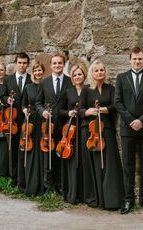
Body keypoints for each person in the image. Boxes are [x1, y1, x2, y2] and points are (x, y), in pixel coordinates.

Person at [115, 47, 143, 214]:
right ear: (130, 59)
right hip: (127, 129)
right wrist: (131, 120)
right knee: (127, 165)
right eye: (134, 59)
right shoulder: (121, 78)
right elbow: (118, 102)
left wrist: (141, 120)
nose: (137, 61)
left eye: (140, 59)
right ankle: (128, 200)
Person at [79, 60, 124, 209]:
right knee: (95, 164)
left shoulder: (111, 88)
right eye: (96, 70)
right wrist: (87, 112)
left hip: (107, 130)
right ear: (92, 73)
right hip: (90, 132)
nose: (99, 73)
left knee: (110, 164)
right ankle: (96, 198)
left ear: (105, 72)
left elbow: (115, 105)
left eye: (102, 70)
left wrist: (105, 109)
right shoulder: (86, 90)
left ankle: (111, 200)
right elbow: (80, 109)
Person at [36, 52, 72, 194]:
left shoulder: (70, 81)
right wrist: (42, 111)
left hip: (64, 125)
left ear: (64, 65)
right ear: (50, 65)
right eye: (55, 63)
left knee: (62, 155)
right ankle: (48, 186)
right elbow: (38, 102)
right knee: (49, 156)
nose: (57, 65)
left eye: (60, 63)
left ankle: (61, 185)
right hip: (49, 125)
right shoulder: (44, 82)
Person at [59, 63, 87, 203]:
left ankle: (83, 194)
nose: (77, 77)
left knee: (83, 161)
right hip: (70, 130)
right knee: (71, 161)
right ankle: (72, 193)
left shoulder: (89, 90)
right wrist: (68, 112)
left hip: (84, 129)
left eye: (79, 74)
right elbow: (60, 111)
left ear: (84, 75)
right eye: (75, 75)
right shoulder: (68, 92)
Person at [4, 52, 32, 188]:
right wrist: (6, 99)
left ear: (28, 64)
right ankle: (14, 178)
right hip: (13, 120)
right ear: (16, 63)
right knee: (13, 149)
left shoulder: (32, 80)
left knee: (26, 149)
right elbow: (2, 95)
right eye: (19, 63)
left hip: (27, 121)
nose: (22, 65)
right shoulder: (8, 80)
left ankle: (25, 178)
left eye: (24, 63)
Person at [21, 62, 46, 196]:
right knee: (30, 151)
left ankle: (42, 185)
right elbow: (23, 104)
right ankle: (30, 184)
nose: (37, 73)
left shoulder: (46, 85)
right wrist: (25, 110)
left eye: (40, 70)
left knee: (41, 151)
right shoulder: (28, 87)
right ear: (33, 72)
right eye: (35, 71)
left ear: (43, 72)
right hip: (30, 121)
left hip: (42, 120)